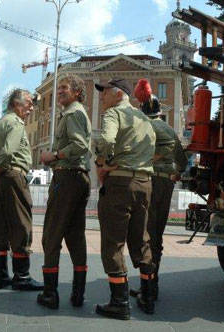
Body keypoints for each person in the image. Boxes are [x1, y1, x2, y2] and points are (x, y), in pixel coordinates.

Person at [94, 78, 157, 320]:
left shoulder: (113, 114)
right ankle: (148, 297)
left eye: (105, 93)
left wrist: (102, 162)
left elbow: (107, 141)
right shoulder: (144, 119)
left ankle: (119, 302)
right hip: (144, 183)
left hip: (120, 184)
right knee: (142, 240)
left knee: (113, 242)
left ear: (118, 95)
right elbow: (153, 147)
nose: (102, 97)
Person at [130, 79, 188, 301]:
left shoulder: (144, 127)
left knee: (145, 235)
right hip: (166, 183)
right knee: (157, 237)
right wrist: (175, 174)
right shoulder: (169, 129)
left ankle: (148, 287)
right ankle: (152, 285)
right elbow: (182, 161)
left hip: (148, 182)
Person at [37, 74, 92, 309]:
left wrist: (55, 156)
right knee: (75, 236)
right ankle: (77, 294)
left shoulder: (72, 113)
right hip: (76, 177)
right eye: (58, 88)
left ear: (77, 92)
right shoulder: (75, 112)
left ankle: (50, 294)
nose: (59, 91)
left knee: (51, 235)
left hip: (67, 178)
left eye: (64, 88)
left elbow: (80, 145)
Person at [0, 89, 43, 291]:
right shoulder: (16, 123)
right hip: (12, 176)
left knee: (1, 226)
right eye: (29, 103)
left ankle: (1, 276)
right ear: (16, 104)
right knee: (21, 225)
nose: (31, 108)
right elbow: (9, 152)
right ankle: (22, 276)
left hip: (0, 179)